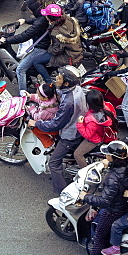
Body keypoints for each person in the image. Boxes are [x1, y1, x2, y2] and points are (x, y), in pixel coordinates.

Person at [72, 141, 128, 255]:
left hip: (114, 210)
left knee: (99, 236)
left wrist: (86, 196)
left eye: (108, 154)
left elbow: (104, 201)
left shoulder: (113, 178)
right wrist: (109, 164)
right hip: (124, 204)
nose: (105, 156)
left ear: (113, 157)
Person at [34, 66, 87, 195]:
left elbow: (56, 124)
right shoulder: (75, 89)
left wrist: (37, 123)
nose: (56, 79)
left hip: (71, 134)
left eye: (59, 78)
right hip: (79, 123)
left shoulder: (68, 102)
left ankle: (62, 193)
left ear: (66, 83)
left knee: (53, 163)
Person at [1, 3, 56, 95]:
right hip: (46, 45)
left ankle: (23, 95)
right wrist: (25, 21)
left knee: (20, 69)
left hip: (40, 48)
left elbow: (24, 36)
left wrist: (6, 40)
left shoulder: (40, 22)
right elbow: (36, 20)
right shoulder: (45, 18)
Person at [74, 89, 118, 167]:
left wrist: (80, 124)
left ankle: (85, 173)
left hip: (94, 140)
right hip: (103, 134)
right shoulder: (107, 106)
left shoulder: (92, 119)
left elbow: (88, 135)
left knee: (77, 154)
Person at [45, 3, 83, 74]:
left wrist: (49, 48)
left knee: (37, 62)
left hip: (69, 57)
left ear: (49, 18)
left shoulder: (56, 33)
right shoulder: (70, 20)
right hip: (77, 51)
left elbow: (56, 50)